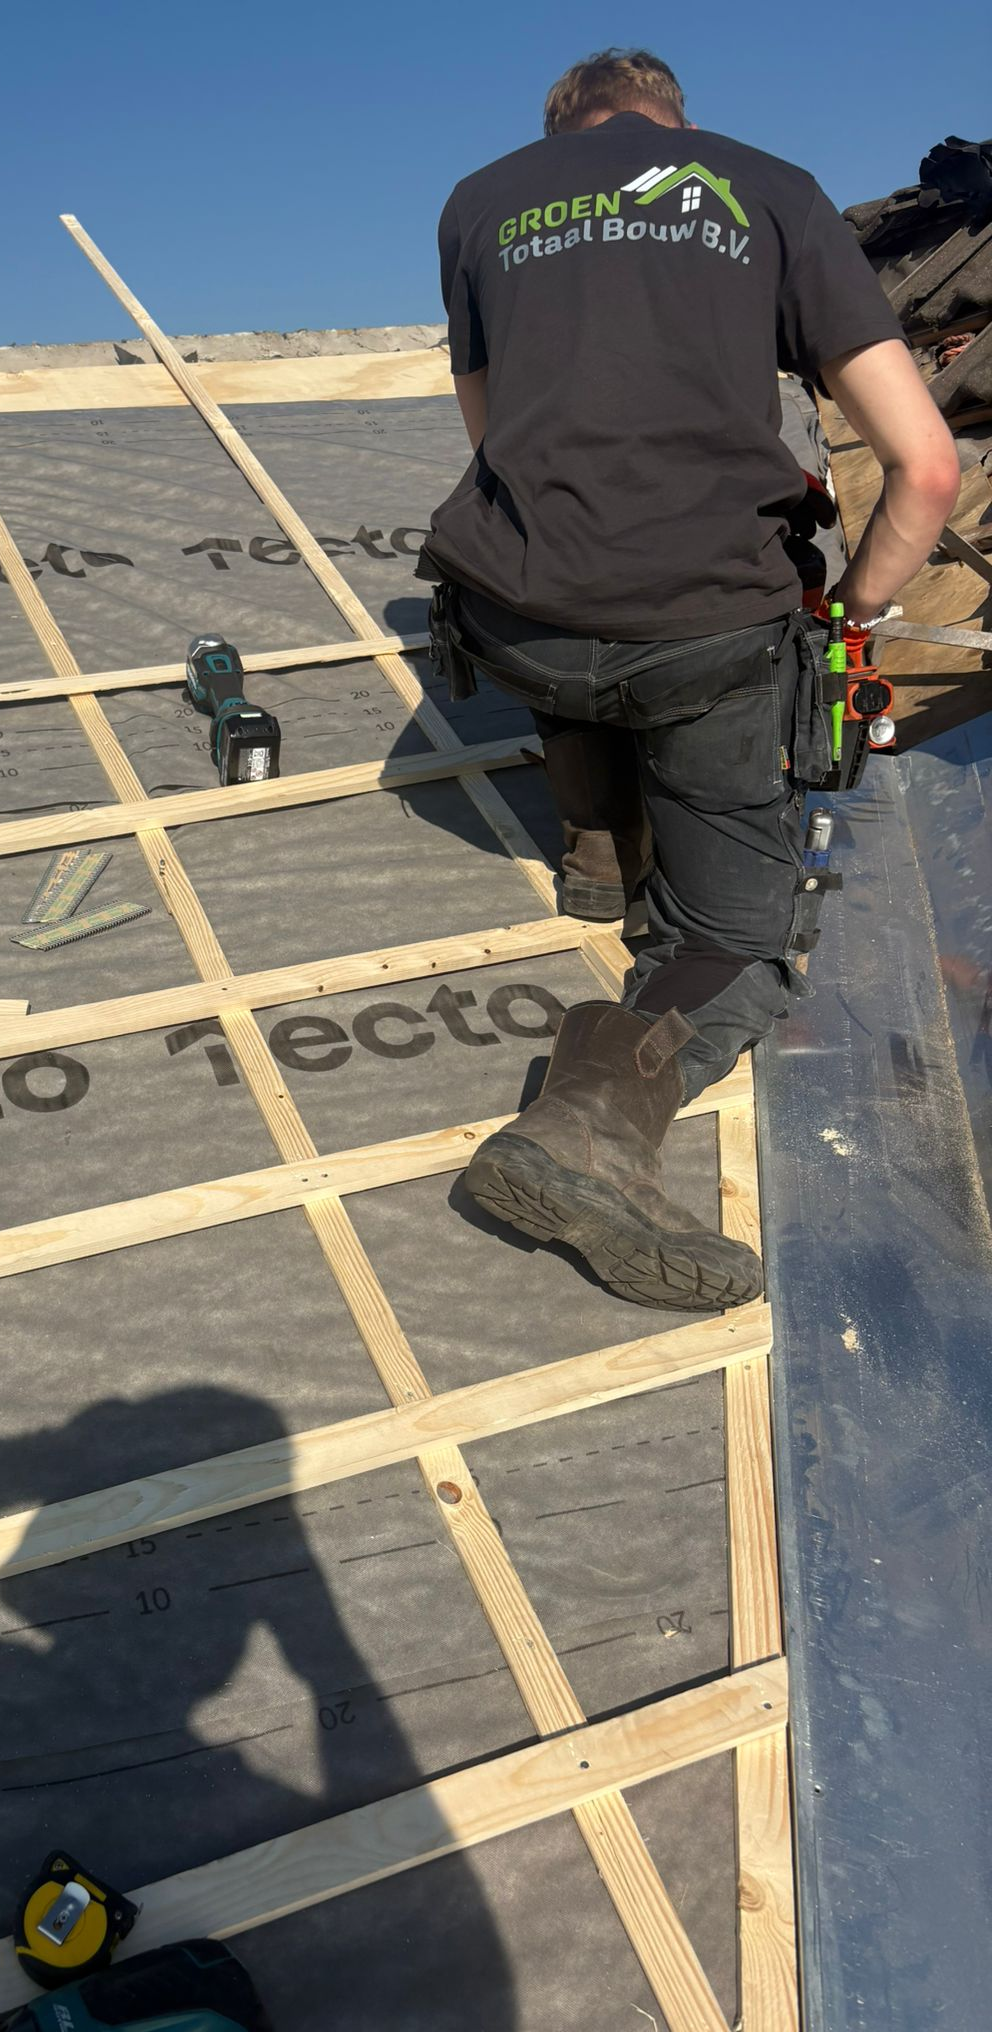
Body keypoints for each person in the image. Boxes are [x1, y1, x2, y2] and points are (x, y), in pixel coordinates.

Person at [421, 48, 960, 1312]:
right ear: (675, 121)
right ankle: (588, 1129)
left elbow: (500, 451)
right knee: (736, 938)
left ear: (561, 129)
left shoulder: (479, 201)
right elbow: (928, 468)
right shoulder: (769, 189)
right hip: (702, 633)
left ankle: (599, 843)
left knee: (571, 628)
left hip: (517, 617)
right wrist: (850, 611)